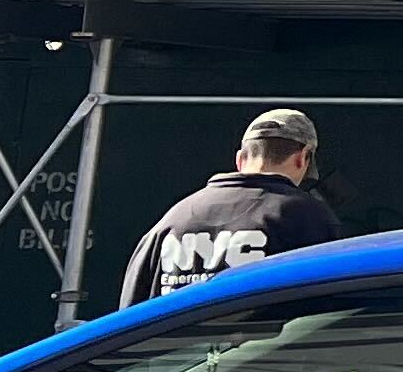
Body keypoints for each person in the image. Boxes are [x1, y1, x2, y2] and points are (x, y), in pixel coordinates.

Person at [120, 108, 342, 304]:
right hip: (271, 352)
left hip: (177, 351)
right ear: (302, 158)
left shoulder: (174, 219)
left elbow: (130, 316)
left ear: (240, 159)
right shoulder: (310, 219)